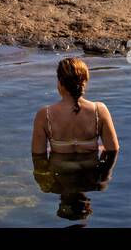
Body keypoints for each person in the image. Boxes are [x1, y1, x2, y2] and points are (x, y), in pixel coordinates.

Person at [31, 57, 119, 221]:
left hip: (60, 177)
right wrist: (104, 175)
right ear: (85, 81)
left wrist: (45, 181)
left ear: (60, 84)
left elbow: (38, 156)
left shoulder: (45, 115)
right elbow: (113, 149)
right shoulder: (99, 110)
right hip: (90, 175)